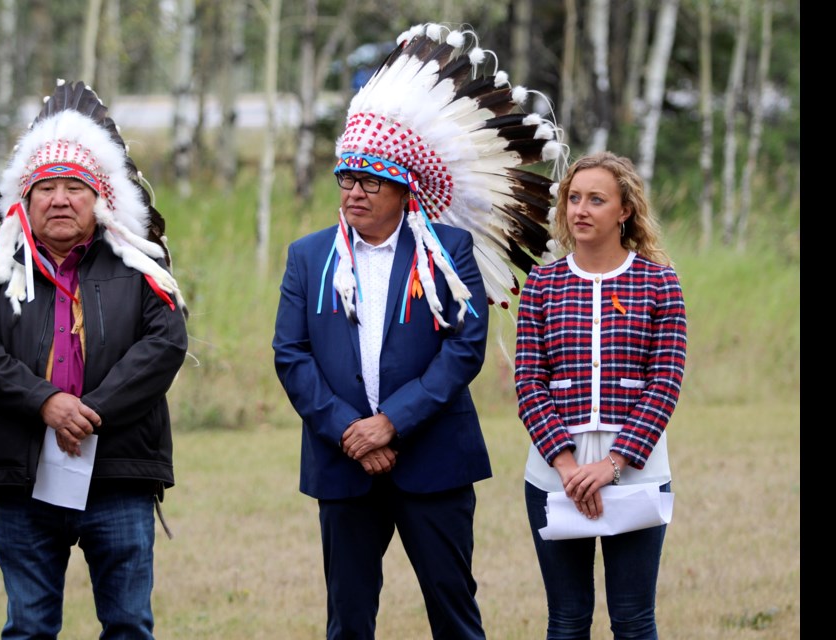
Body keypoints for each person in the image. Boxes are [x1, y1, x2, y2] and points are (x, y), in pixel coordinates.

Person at [273, 22, 564, 639]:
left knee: (454, 615)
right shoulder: (309, 256)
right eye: (347, 180)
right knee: (347, 621)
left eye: (370, 181)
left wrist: (392, 422)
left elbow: (464, 349)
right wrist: (351, 432)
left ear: (404, 191)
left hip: (433, 458)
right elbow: (291, 354)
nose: (354, 192)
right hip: (342, 461)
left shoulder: (448, 250)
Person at [0, 79, 189, 639]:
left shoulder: (139, 270)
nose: (60, 199)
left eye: (74, 187)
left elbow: (165, 346)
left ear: (99, 199)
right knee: (29, 626)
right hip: (22, 475)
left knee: (128, 624)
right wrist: (47, 402)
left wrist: (91, 411)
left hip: (118, 473)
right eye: (46, 188)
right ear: (25, 202)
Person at [514, 151, 688, 639]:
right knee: (567, 619)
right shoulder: (543, 285)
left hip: (636, 470)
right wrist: (567, 468)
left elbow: (665, 381)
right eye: (574, 198)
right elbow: (529, 381)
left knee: (633, 620)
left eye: (596, 199)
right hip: (553, 471)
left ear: (625, 210)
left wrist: (614, 464)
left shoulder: (658, 282)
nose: (580, 210)